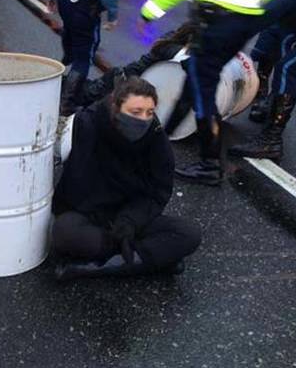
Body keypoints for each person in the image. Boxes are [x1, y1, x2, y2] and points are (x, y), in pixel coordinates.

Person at [138, 0, 286, 185]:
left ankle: (210, 164)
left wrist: (151, 10)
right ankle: (160, 138)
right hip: (242, 22)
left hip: (217, 21)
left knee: (201, 88)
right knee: (195, 80)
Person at [51, 77, 201, 281]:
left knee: (189, 234)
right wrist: (111, 226)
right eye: (135, 112)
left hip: (132, 218)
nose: (143, 119)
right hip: (91, 213)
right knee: (64, 233)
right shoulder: (88, 124)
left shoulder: (155, 137)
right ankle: (150, 260)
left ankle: (96, 267)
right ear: (116, 107)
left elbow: (158, 191)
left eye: (149, 112)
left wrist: (130, 221)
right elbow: (75, 184)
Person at [228, 0, 296, 160]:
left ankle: (271, 141)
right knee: (279, 44)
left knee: (289, 68)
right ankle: (271, 105)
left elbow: (261, 16)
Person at [49, 0, 123, 115]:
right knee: (84, 56)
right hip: (84, 3)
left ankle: (67, 59)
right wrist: (112, 13)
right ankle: (66, 104)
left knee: (71, 30)